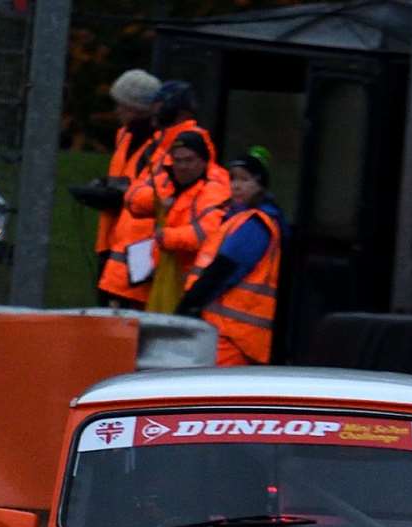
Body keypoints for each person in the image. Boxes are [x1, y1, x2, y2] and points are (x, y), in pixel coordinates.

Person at [96, 80, 226, 309]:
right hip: (133, 265)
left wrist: (159, 216)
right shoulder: (160, 145)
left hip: (151, 269)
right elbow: (135, 197)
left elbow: (158, 198)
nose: (154, 110)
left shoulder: (183, 149)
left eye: (160, 105)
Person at [176, 147, 288, 366]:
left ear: (260, 185)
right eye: (233, 179)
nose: (236, 186)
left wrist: (190, 304)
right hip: (230, 331)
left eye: (245, 180)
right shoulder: (246, 220)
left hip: (232, 334)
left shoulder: (254, 224)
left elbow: (224, 269)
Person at [67, 69, 160, 297]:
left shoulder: (160, 143)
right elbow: (124, 176)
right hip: (110, 237)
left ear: (138, 107)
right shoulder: (124, 135)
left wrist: (115, 194)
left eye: (123, 104)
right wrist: (103, 184)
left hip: (137, 243)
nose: (117, 110)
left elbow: (148, 190)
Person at [123, 130, 229, 309]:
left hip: (189, 285)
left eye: (189, 160)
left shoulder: (214, 190)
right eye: (178, 160)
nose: (182, 166)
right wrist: (158, 201)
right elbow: (131, 199)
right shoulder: (167, 181)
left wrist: (167, 237)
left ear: (203, 161)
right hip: (160, 278)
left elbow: (207, 232)